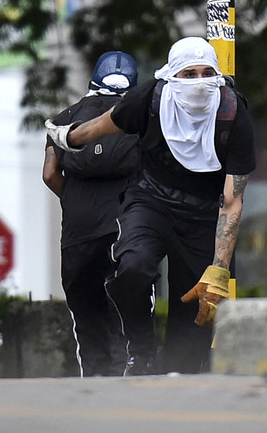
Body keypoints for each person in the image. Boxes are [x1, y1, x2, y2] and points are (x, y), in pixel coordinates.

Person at [46, 36, 255, 375]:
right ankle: (141, 351)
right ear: (172, 76)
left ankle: (176, 381)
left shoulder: (232, 112)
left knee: (195, 319)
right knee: (132, 269)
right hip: (151, 202)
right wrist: (69, 138)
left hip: (202, 215)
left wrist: (219, 269)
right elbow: (106, 123)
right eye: (189, 74)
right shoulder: (151, 98)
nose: (199, 83)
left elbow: (233, 200)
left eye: (206, 73)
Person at [42, 51, 139, 376]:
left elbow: (49, 174)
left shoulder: (62, 121)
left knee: (87, 314)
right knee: (123, 311)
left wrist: (72, 198)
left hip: (77, 232)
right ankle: (121, 375)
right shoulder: (140, 120)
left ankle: (97, 379)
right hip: (124, 228)